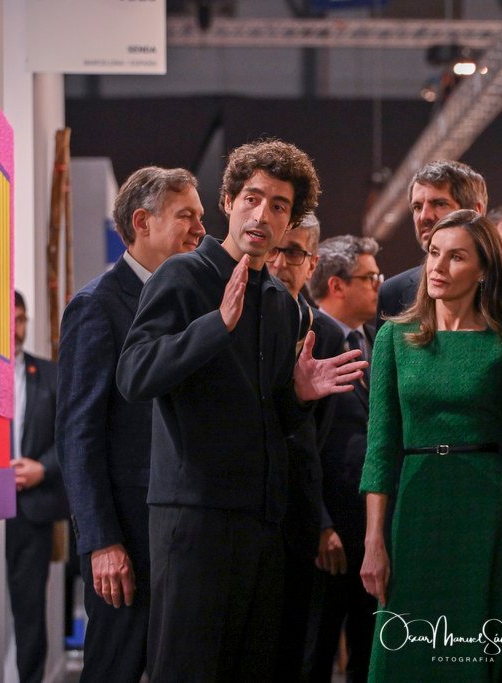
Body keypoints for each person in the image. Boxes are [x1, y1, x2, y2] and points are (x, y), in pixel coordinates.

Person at [116, 139, 367, 679]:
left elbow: (272, 418)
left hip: (263, 525)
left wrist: (298, 396)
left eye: (278, 206)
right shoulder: (181, 276)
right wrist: (216, 326)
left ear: (290, 221)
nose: (262, 215)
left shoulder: (280, 302)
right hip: (195, 519)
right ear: (228, 201)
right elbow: (134, 375)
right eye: (252, 198)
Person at [359, 210, 502, 682]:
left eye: (456, 256)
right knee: (401, 656)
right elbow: (380, 448)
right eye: (433, 253)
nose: (438, 267)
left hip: (488, 515)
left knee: (474, 661)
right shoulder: (394, 338)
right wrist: (373, 539)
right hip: (414, 512)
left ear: (483, 270)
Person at [57, 166, 204, 682]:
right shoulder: (96, 307)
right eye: (186, 216)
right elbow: (78, 437)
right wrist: (101, 541)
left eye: (200, 216)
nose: (200, 230)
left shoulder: (191, 303)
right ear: (142, 222)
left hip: (182, 530)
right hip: (126, 542)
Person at [264, 214, 347, 679]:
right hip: (244, 509)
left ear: (312, 263)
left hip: (298, 511)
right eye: (273, 248)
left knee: (296, 648)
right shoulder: (234, 317)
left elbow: (319, 440)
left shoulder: (327, 335)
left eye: (293, 252)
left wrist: (319, 519)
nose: (279, 261)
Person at [305, 235, 382, 683]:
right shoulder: (308, 340)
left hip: (369, 529)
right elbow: (300, 443)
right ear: (337, 284)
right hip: (327, 532)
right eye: (369, 278)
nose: (377, 286)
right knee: (314, 653)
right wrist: (320, 523)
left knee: (368, 656)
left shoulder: (376, 340)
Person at [375, 160, 502, 328]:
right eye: (417, 207)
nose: (424, 216)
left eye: (439, 204)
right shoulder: (392, 292)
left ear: (475, 212)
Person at [7, 290, 68, 683]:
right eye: (9, 320)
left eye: (21, 319)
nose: (16, 329)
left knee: (30, 612)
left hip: (32, 506)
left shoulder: (49, 374)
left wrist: (42, 469)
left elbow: (70, 434)